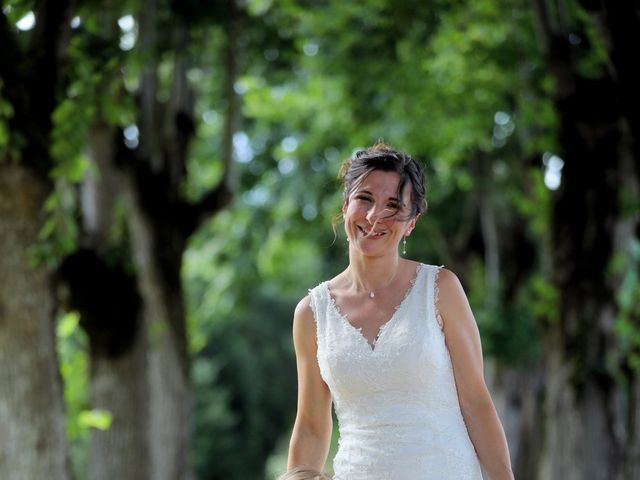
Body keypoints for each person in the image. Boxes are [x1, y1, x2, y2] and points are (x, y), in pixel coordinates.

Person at [286, 142, 514, 480]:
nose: (375, 215)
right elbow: (311, 425)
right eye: (365, 198)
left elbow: (476, 404)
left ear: (411, 223)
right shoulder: (311, 313)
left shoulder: (440, 289)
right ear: (345, 203)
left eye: (394, 205)